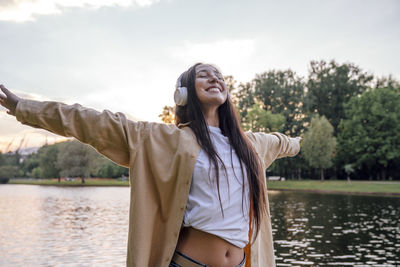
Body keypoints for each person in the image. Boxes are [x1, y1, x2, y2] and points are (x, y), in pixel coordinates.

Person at [0, 63, 301, 267]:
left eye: (218, 75)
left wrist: (300, 142)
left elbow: (282, 141)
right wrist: (25, 108)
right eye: (203, 75)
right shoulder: (161, 139)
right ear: (182, 93)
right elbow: (90, 122)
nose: (214, 78)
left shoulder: (251, 145)